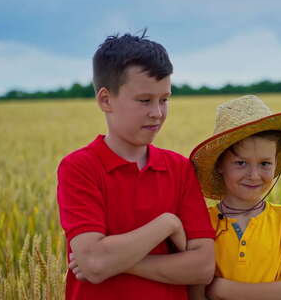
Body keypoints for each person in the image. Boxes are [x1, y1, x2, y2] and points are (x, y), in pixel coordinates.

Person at [57, 32, 215, 300]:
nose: (157, 112)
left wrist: (116, 262)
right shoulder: (79, 167)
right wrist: (166, 224)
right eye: (144, 100)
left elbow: (202, 268)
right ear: (105, 100)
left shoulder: (180, 168)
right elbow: (94, 263)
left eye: (164, 99)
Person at [189, 95, 281, 300]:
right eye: (241, 163)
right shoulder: (202, 222)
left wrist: (218, 289)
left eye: (265, 163)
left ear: (277, 163)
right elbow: (195, 293)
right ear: (220, 165)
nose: (254, 175)